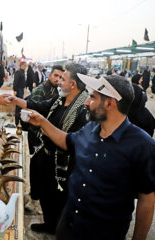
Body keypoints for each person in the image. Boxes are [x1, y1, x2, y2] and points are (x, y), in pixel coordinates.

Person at [26, 74, 155, 240]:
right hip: (69, 223)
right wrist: (43, 122)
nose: (86, 102)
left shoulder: (142, 146)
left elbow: (147, 200)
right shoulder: (91, 128)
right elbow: (67, 140)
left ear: (110, 103)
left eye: (92, 97)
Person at [10, 63, 89, 234]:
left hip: (64, 164)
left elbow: (71, 142)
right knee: (46, 194)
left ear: (73, 84)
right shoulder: (59, 100)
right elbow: (39, 106)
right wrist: (16, 101)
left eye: (63, 78)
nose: (59, 82)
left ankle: (59, 229)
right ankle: (49, 224)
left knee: (59, 198)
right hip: (46, 156)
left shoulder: (83, 110)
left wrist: (43, 124)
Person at [24, 65, 64, 154]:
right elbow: (33, 113)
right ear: (49, 76)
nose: (58, 79)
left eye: (61, 77)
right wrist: (39, 137)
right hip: (37, 137)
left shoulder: (56, 91)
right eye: (56, 75)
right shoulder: (40, 90)